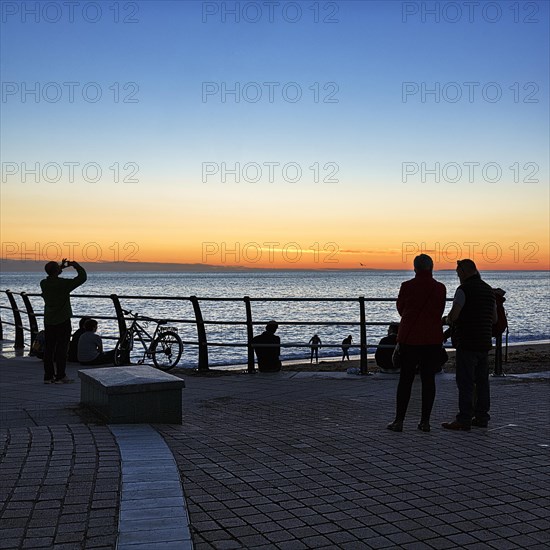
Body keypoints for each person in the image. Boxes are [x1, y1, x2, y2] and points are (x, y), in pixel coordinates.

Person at [387, 254, 446, 433]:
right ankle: (425, 422)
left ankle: (399, 421)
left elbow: (401, 310)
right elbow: (440, 310)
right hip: (432, 340)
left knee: (405, 380)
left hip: (409, 339)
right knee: (429, 381)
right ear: (432, 267)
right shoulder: (440, 288)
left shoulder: (407, 286)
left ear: (415, 268)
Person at [442, 259, 497, 431]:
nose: (457, 275)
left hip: (467, 342)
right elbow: (494, 319)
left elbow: (455, 315)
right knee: (482, 382)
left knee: (465, 382)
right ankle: (482, 417)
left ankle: (464, 418)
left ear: (464, 272)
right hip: (484, 342)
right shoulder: (488, 290)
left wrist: (446, 320)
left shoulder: (463, 290)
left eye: (458, 272)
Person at [40, 259, 87, 383]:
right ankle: (61, 376)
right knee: (62, 349)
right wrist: (76, 266)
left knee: (49, 349)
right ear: (57, 271)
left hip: (49, 320)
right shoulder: (63, 284)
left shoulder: (44, 283)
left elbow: (52, 273)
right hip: (63, 320)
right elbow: (82, 278)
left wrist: (59, 267)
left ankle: (48, 376)